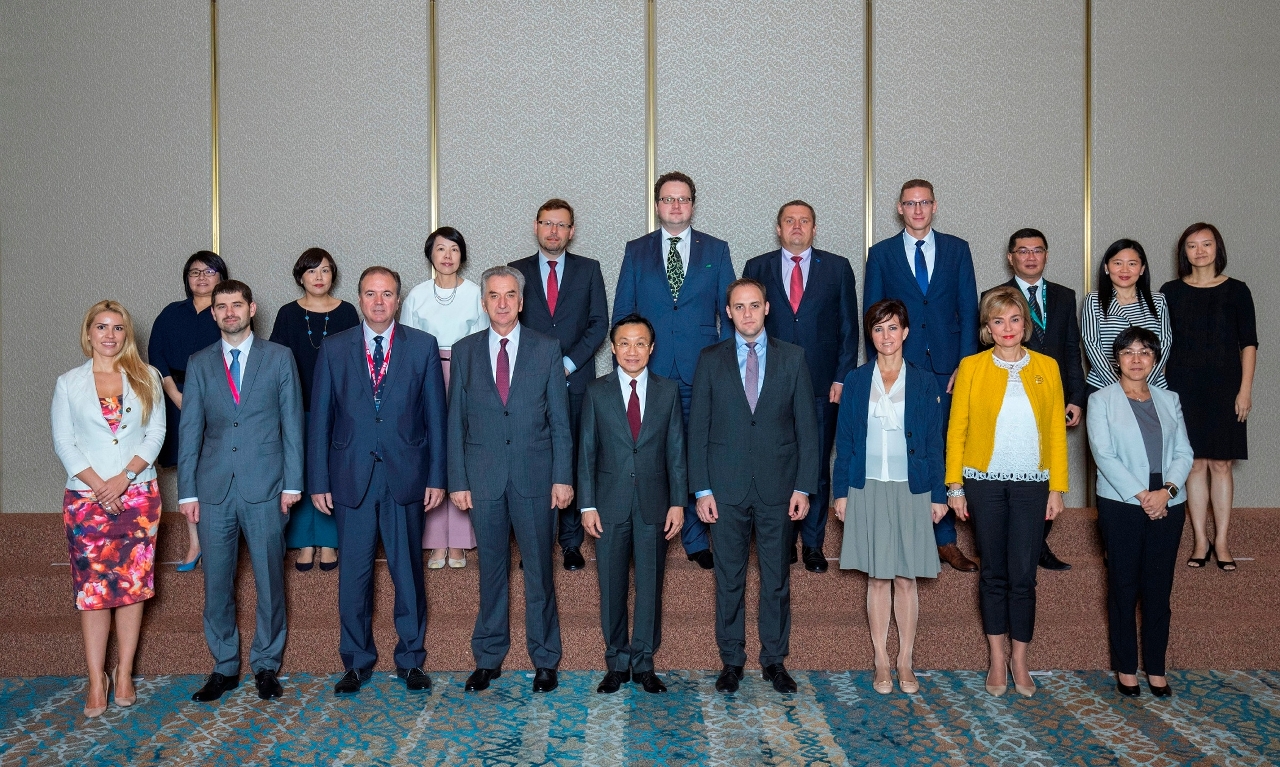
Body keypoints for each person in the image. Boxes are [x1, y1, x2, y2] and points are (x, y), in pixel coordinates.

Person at [309, 266, 446, 695]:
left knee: (407, 573)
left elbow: (436, 419)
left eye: (387, 294)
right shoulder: (334, 349)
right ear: (360, 298)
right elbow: (320, 420)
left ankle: (410, 659)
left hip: (405, 476)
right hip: (351, 477)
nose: (379, 302)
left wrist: (437, 476)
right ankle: (356, 661)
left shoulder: (422, 347)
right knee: (353, 576)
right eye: (371, 294)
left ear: (398, 300)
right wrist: (318, 481)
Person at [688, 278, 820, 695]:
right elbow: (698, 429)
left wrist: (803, 487)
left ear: (767, 308)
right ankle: (731, 661)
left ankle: (775, 660)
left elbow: (807, 429)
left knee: (776, 578)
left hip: (779, 487)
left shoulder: (794, 358)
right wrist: (701, 490)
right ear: (728, 312)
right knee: (729, 577)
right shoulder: (710, 359)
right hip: (724, 489)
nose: (747, 313)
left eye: (754, 305)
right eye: (738, 307)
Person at [448, 265, 574, 694]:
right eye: (494, 296)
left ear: (521, 302)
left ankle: (545, 658)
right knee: (491, 571)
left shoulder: (546, 348)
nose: (502, 303)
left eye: (509, 296)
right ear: (483, 303)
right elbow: (455, 423)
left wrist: (562, 477)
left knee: (540, 570)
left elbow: (560, 420)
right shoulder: (464, 351)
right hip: (483, 479)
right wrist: (457, 480)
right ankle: (488, 657)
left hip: (536, 476)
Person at [177, 280, 304, 703]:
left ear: (251, 309)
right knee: (216, 582)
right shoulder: (198, 363)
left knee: (270, 578)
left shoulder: (279, 357)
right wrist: (187, 492)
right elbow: (190, 429)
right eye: (221, 306)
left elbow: (292, 425)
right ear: (212, 313)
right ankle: (224, 665)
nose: (229, 312)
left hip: (267, 486)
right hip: (213, 489)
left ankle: (266, 665)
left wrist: (292, 483)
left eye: (236, 304)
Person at [946, 286, 1068, 698]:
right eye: (997, 321)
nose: (1007, 328)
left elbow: (1055, 430)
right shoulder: (971, 367)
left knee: (1023, 575)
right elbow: (957, 430)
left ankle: (1020, 658)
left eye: (1014, 319)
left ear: (1025, 323)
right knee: (993, 572)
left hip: (1034, 484)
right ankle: (996, 658)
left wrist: (1058, 487)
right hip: (984, 482)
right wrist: (955, 487)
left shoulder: (1048, 367)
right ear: (987, 328)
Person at [613, 171, 736, 570]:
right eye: (668, 199)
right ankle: (648, 532)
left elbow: (730, 315)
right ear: (657, 205)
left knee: (693, 452)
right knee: (648, 454)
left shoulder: (716, 250)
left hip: (701, 372)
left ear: (693, 204)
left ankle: (695, 536)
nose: (676, 206)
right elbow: (623, 315)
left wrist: (728, 368)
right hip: (648, 372)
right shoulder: (636, 250)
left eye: (683, 199)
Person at [52, 300, 166, 717]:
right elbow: (65, 442)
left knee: (133, 588)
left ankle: (124, 673)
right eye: (101, 327)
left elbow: (156, 434)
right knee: (94, 591)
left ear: (126, 334)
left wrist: (126, 478)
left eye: (117, 328)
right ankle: (95, 677)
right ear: (89, 333)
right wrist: (102, 486)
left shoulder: (146, 376)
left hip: (137, 496)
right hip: (86, 500)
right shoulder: (69, 383)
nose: (109, 335)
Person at [863, 179, 979, 573]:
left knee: (943, 449)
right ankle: (908, 534)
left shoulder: (957, 249)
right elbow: (873, 316)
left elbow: (969, 308)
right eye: (910, 204)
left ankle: (945, 540)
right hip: (901, 367)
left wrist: (965, 363)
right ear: (899, 208)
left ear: (934, 206)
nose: (917, 210)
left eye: (924, 203)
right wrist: (877, 372)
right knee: (902, 450)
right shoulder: (880, 254)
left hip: (948, 368)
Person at [832, 299, 945, 695]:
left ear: (906, 332)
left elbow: (934, 441)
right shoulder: (858, 379)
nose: (886, 336)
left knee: (905, 577)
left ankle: (905, 660)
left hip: (911, 486)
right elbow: (844, 439)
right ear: (872, 335)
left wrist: (938, 492)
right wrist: (841, 491)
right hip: (868, 485)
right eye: (878, 329)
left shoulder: (925, 380)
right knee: (878, 577)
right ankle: (881, 660)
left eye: (893, 327)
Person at [743, 200, 859, 573]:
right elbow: (746, 328)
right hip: (770, 385)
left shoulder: (838, 268)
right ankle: (781, 542)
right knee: (776, 464)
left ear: (814, 228)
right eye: (789, 221)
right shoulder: (757, 267)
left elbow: (848, 329)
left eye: (804, 221)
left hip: (822, 385)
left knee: (816, 463)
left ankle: (812, 543)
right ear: (778, 229)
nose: (796, 226)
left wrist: (841, 377)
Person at [578, 314, 686, 694]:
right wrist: (586, 504)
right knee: (611, 585)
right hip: (608, 504)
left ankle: (643, 663)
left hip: (655, 504)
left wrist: (678, 502)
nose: (632, 350)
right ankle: (616, 662)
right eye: (624, 342)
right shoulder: (596, 391)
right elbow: (587, 451)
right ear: (613, 348)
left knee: (650, 584)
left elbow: (676, 450)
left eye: (640, 342)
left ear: (652, 348)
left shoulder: (667, 391)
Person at [1088, 327, 1194, 698]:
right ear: (1116, 359)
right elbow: (1103, 455)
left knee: (1158, 590)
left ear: (1154, 359)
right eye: (1129, 352)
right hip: (1122, 502)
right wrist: (1142, 496)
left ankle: (1157, 668)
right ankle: (1126, 667)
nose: (1136, 359)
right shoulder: (1101, 400)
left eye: (1145, 352)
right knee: (1122, 587)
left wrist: (1166, 492)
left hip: (1168, 501)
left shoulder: (1170, 399)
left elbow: (1184, 452)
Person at [511, 199, 609, 571]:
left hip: (575, 379)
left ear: (571, 231)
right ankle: (535, 542)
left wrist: (565, 364)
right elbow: (508, 322)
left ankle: (570, 542)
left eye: (561, 225)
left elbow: (599, 323)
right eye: (547, 223)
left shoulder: (589, 270)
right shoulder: (515, 270)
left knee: (572, 457)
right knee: (533, 460)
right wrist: (540, 368)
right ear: (535, 227)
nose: (554, 231)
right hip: (527, 384)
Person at [982, 229, 1087, 571]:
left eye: (1037, 250)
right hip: (1009, 403)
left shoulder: (1063, 295)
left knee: (1046, 470)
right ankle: (1016, 546)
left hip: (1049, 398)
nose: (1030, 257)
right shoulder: (994, 296)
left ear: (1046, 255)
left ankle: (1037, 544)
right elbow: (983, 352)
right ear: (1010, 257)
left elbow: (1072, 350)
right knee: (1008, 474)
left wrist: (1076, 396)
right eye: (1022, 251)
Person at [1159, 223, 1257, 571]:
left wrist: (1245, 391)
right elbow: (1161, 347)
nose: (1199, 251)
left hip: (1225, 387)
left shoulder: (1237, 290)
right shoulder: (1169, 291)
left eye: (1206, 244)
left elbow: (1248, 343)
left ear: (1218, 248)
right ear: (1183, 252)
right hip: (1182, 387)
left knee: (1221, 464)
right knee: (1194, 464)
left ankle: (1223, 541)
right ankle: (1200, 540)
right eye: (1191, 245)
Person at [269, 248, 360, 572]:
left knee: (334, 472)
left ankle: (330, 541)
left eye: (324, 270)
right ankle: (303, 542)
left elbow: (357, 362)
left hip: (339, 408)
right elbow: (275, 363)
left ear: (333, 274)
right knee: (300, 473)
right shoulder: (287, 314)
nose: (318, 277)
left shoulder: (348, 311)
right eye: (311, 271)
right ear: (300, 277)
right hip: (296, 407)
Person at [403, 227, 489, 569]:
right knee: (432, 449)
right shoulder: (416, 296)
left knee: (462, 449)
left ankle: (462, 541)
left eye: (454, 249)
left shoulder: (475, 293)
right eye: (441, 249)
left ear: (462, 255)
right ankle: (436, 541)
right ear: (430, 254)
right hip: (426, 374)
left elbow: (484, 340)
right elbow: (407, 343)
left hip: (466, 372)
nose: (448, 255)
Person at [148, 251, 227, 571]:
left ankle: (221, 540)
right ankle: (195, 542)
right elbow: (156, 353)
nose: (202, 277)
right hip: (176, 394)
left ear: (221, 277)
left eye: (209, 271)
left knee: (220, 464)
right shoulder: (171, 313)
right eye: (195, 272)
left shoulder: (226, 311)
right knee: (188, 468)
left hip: (219, 396)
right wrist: (173, 392)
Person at [1081, 238, 1172, 393]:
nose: (1124, 270)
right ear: (1106, 267)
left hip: (1152, 387)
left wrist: (1142, 384)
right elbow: (1092, 345)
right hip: (1104, 386)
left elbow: (1165, 343)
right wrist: (1120, 387)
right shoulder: (1093, 300)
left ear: (1142, 269)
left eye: (1132, 264)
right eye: (1117, 263)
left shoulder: (1158, 300)